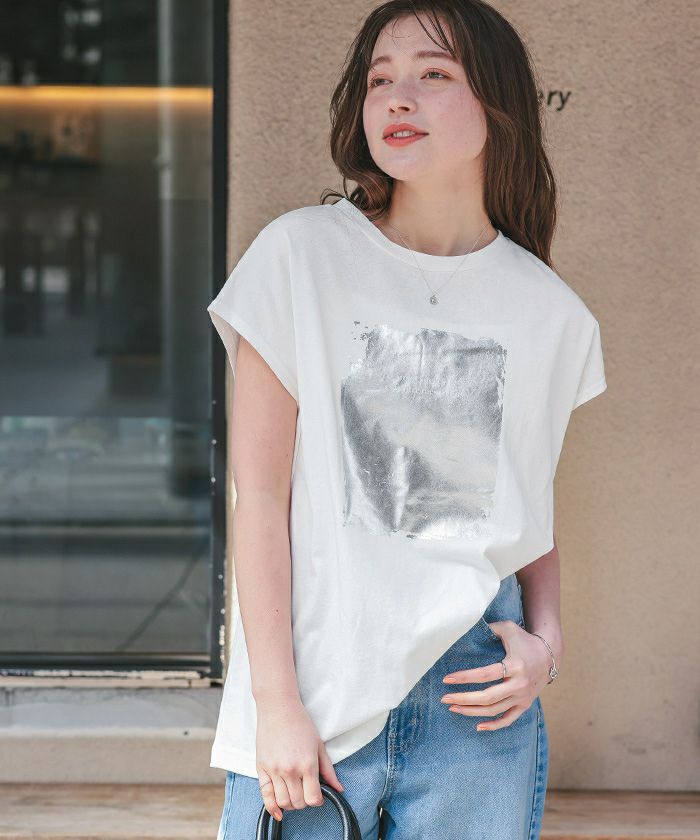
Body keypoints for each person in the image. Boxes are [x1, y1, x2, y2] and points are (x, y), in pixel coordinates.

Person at [208, 1, 607, 838]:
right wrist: (274, 704)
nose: (397, 97)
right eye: (379, 79)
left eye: (434, 74)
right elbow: (261, 497)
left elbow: (527, 511)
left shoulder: (549, 312)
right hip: (315, 699)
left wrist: (546, 646)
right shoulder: (299, 257)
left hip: (477, 700)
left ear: (497, 103)